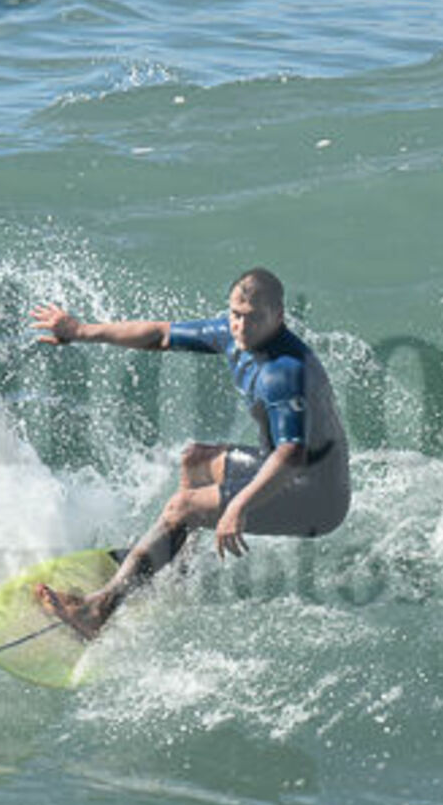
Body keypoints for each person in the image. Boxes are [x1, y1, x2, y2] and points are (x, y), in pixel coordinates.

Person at [28, 268, 349, 638]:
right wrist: (80, 331)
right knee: (195, 460)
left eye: (253, 318)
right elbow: (161, 334)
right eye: (236, 314)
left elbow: (291, 456)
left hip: (316, 498)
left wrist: (238, 506)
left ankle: (97, 611)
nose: (241, 327)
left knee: (183, 507)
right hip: (284, 466)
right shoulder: (231, 333)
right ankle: (178, 569)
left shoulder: (285, 373)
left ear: (278, 316)